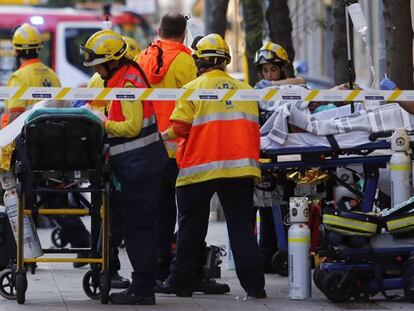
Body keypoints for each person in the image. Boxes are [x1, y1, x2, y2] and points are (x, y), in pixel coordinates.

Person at [160, 33, 266, 298]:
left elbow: (180, 127)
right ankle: (255, 286)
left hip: (200, 168)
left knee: (191, 228)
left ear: (199, 61)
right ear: (226, 61)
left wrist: (158, 137)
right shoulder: (246, 92)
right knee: (241, 227)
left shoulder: (192, 89)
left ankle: (181, 281)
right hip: (240, 170)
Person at [138, 13, 229, 294]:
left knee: (160, 214)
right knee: (192, 215)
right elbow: (200, 101)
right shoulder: (187, 61)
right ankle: (192, 272)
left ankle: (160, 270)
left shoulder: (142, 58)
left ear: (159, 30)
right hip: (182, 149)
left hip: (151, 147)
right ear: (184, 33)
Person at [80, 29, 168, 305]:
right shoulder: (122, 77)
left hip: (141, 167)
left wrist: (100, 122)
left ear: (112, 61)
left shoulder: (128, 84)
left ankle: (142, 290)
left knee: (138, 229)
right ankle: (143, 285)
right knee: (138, 227)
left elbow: (130, 126)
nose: (94, 68)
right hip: (140, 166)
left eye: (97, 63)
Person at [6, 23, 91, 262]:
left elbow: (14, 115)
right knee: (57, 200)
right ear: (39, 49)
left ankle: (22, 252)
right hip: (55, 150)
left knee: (22, 202)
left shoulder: (19, 77)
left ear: (16, 51)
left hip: (29, 153)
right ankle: (83, 244)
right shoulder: (51, 74)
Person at [75, 35, 142, 288]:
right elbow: (110, 120)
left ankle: (103, 266)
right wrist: (106, 126)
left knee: (105, 215)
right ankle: (107, 268)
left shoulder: (109, 79)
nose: (94, 71)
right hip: (114, 157)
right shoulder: (116, 80)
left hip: (104, 155)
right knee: (113, 217)